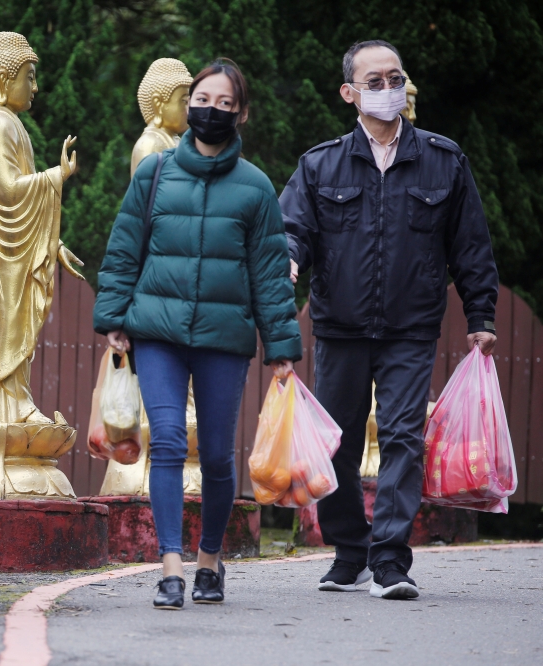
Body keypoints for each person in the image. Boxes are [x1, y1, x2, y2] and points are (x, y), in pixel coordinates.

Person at [281, 40, 499, 600]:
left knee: (404, 437)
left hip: (411, 327)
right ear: (349, 93)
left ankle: (391, 563)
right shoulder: (319, 163)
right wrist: (286, 261)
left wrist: (482, 315)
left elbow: (470, 245)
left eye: (395, 78)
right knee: (339, 445)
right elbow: (293, 230)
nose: (387, 90)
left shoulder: (443, 159)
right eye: (373, 82)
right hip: (340, 327)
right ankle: (350, 551)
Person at [94, 58, 302, 609]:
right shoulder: (155, 172)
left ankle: (210, 558)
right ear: (188, 107)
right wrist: (114, 317)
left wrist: (281, 348)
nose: (211, 111)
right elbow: (123, 249)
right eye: (202, 101)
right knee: (164, 442)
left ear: (242, 114)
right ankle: (169, 567)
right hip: (157, 332)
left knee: (214, 455)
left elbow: (269, 274)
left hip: (222, 338)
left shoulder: (256, 189)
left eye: (224, 104)